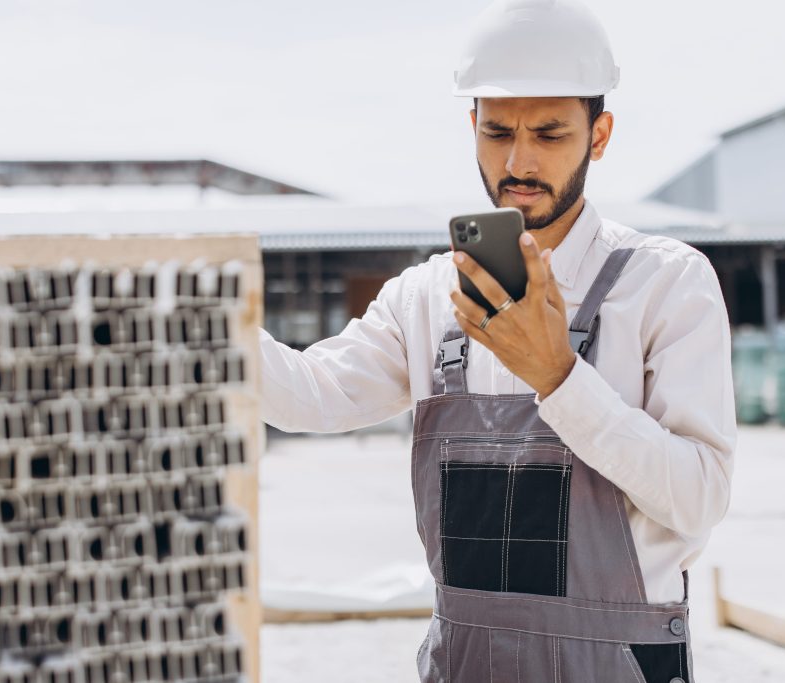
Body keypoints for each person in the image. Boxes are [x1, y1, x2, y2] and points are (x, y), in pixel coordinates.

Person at [260, 0, 736, 680]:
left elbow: (699, 496)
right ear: (471, 127)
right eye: (497, 132)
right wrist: (192, 313)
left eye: (548, 133)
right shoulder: (429, 296)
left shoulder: (666, 284)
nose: (518, 160)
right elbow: (309, 396)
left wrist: (560, 377)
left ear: (598, 135)